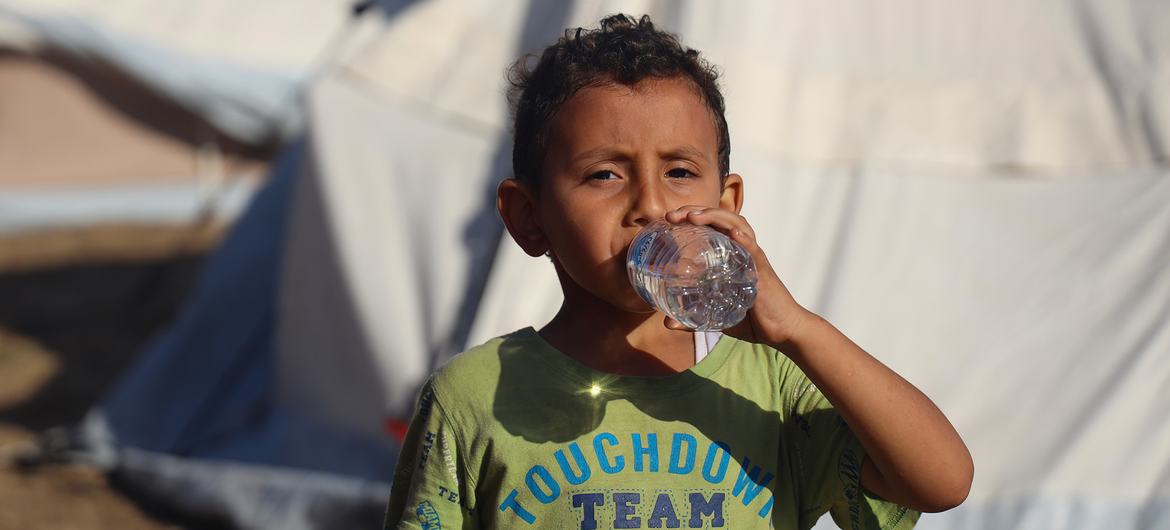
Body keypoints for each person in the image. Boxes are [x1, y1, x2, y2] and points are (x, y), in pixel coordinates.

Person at [384, 14, 973, 530]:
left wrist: (797, 328)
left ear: (729, 202)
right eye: (604, 175)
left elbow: (942, 483)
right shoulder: (470, 398)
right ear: (528, 218)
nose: (651, 206)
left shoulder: (770, 385)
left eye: (681, 172)